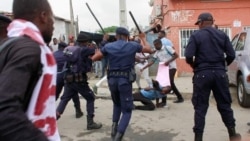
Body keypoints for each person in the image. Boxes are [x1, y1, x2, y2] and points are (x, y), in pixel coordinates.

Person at [0, 0, 60, 140]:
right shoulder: (29, 49)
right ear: (43, 16)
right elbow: (4, 109)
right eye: (52, 20)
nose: (53, 26)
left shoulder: (9, 44)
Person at [184, 12, 241, 141]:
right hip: (220, 74)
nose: (198, 26)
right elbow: (231, 55)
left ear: (202, 22)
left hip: (202, 74)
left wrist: (195, 66)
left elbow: (188, 56)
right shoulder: (222, 35)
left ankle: (198, 138)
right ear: (212, 22)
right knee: (225, 105)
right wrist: (222, 66)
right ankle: (232, 134)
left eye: (198, 23)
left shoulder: (195, 35)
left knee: (200, 108)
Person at [91, 27, 153, 141]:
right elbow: (149, 49)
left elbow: (95, 58)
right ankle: (117, 138)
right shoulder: (132, 45)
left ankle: (114, 129)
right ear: (127, 36)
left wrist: (105, 51)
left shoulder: (109, 46)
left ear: (116, 36)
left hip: (112, 80)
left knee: (117, 104)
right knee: (127, 110)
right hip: (124, 81)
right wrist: (143, 38)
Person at [56, 32, 102, 130]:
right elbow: (98, 51)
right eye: (87, 42)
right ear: (85, 42)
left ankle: (52, 120)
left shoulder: (68, 49)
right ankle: (90, 123)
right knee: (90, 98)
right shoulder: (83, 49)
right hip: (79, 80)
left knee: (64, 99)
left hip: (68, 79)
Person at [141, 38, 184, 106]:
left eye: (156, 45)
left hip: (171, 67)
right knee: (163, 84)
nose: (155, 47)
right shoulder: (157, 52)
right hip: (163, 70)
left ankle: (179, 98)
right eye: (154, 45)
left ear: (160, 44)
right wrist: (143, 68)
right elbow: (152, 62)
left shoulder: (167, 48)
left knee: (170, 83)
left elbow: (176, 55)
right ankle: (165, 101)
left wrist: (168, 61)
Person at [53, 42, 83, 118]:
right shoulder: (67, 54)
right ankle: (78, 111)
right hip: (67, 76)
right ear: (64, 47)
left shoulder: (53, 54)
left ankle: (50, 111)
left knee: (55, 95)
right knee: (73, 93)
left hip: (57, 77)